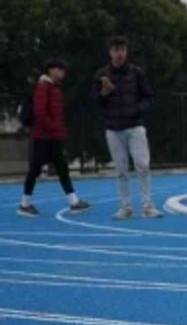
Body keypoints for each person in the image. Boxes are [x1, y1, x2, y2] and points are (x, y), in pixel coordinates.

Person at [93, 35, 161, 219]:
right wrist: (103, 93)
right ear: (110, 52)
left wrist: (137, 110)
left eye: (122, 50)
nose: (119, 54)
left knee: (143, 165)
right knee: (121, 170)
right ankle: (126, 207)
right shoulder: (101, 75)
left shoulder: (136, 73)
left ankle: (148, 206)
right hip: (113, 129)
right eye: (116, 50)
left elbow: (149, 97)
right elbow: (95, 102)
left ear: (126, 51)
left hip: (135, 126)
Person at [17, 58, 91, 217]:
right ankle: (24, 204)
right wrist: (54, 128)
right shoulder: (44, 87)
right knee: (35, 169)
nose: (62, 72)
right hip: (44, 136)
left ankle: (73, 201)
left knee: (62, 168)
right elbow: (41, 113)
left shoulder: (54, 88)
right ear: (51, 70)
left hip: (52, 136)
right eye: (59, 69)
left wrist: (58, 130)